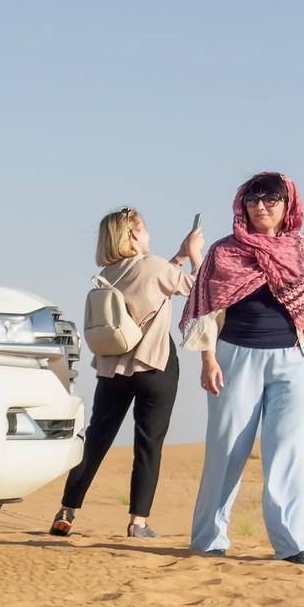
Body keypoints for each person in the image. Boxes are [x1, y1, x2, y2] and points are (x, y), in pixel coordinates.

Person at [182, 171, 304, 563]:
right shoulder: (222, 252)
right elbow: (206, 309)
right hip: (235, 357)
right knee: (225, 451)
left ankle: (291, 545)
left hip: (296, 360)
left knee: (289, 452)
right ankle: (208, 540)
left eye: (270, 199)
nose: (261, 207)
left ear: (288, 205)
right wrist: (208, 359)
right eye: (252, 200)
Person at [51, 209, 202, 538]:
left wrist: (175, 257)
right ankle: (138, 522)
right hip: (154, 365)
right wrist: (194, 255)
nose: (148, 233)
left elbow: (148, 286)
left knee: (96, 440)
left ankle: (67, 509)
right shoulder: (155, 266)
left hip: (111, 368)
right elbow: (202, 289)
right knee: (148, 444)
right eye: (144, 228)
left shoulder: (108, 273)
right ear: (134, 234)